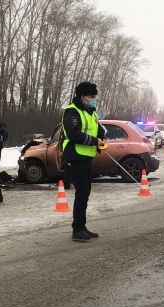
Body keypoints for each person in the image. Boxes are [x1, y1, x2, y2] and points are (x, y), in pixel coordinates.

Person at [61, 81, 107, 242]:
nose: (94, 99)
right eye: (92, 96)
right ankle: (77, 229)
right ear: (83, 97)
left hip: (86, 157)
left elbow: (99, 130)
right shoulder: (72, 112)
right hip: (75, 156)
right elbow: (74, 134)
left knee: (85, 192)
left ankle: (81, 226)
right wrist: (95, 141)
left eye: (95, 96)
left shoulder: (91, 112)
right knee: (82, 192)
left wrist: (102, 138)